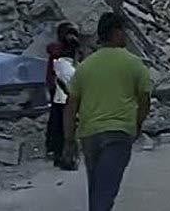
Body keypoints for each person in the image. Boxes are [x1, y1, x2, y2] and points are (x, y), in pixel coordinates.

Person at [64, 12, 151, 211]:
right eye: (124, 31)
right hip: (119, 133)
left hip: (89, 135)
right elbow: (145, 100)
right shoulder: (134, 63)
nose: (126, 36)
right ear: (116, 32)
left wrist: (69, 139)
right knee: (106, 191)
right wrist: (138, 124)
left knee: (97, 187)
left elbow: (70, 106)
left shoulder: (85, 67)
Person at [46, 22, 79, 160]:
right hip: (58, 87)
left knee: (61, 116)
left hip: (64, 86)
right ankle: (57, 148)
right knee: (58, 117)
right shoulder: (58, 50)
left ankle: (58, 147)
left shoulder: (72, 50)